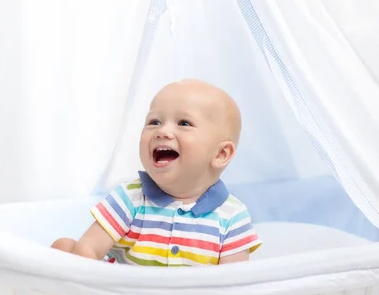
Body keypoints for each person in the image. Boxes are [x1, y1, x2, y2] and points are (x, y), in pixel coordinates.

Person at [51, 78, 261, 266]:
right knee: (67, 248)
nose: (163, 131)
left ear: (221, 154)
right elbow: (89, 248)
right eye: (154, 122)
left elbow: (234, 285)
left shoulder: (233, 216)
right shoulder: (129, 198)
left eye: (184, 123)